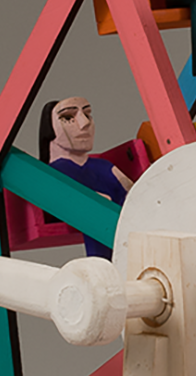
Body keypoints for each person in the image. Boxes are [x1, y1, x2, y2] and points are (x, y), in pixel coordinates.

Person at [36, 97, 130, 260]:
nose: (84, 123)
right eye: (68, 118)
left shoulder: (104, 166)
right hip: (104, 237)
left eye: (87, 114)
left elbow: (134, 191)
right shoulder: (54, 173)